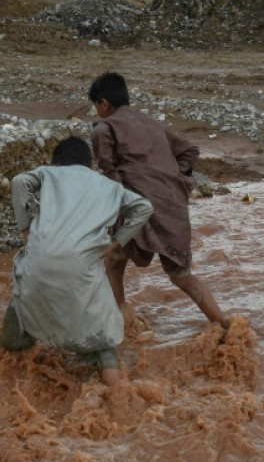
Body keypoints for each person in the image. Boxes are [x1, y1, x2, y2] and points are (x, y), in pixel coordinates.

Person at [0, 136, 153, 386]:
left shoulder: (49, 174)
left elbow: (19, 181)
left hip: (39, 258)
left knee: (22, 305)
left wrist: (26, 228)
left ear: (57, 163)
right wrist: (118, 241)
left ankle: (0, 374)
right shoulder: (109, 186)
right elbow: (144, 207)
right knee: (102, 340)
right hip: (83, 263)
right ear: (89, 164)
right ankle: (117, 397)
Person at [88, 72, 229, 328]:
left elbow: (110, 176)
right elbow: (190, 151)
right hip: (173, 206)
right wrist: (175, 179)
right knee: (181, 275)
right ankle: (226, 326)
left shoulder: (103, 129)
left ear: (104, 103)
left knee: (114, 260)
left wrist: (120, 206)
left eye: (96, 106)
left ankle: (121, 322)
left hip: (136, 206)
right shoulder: (151, 123)